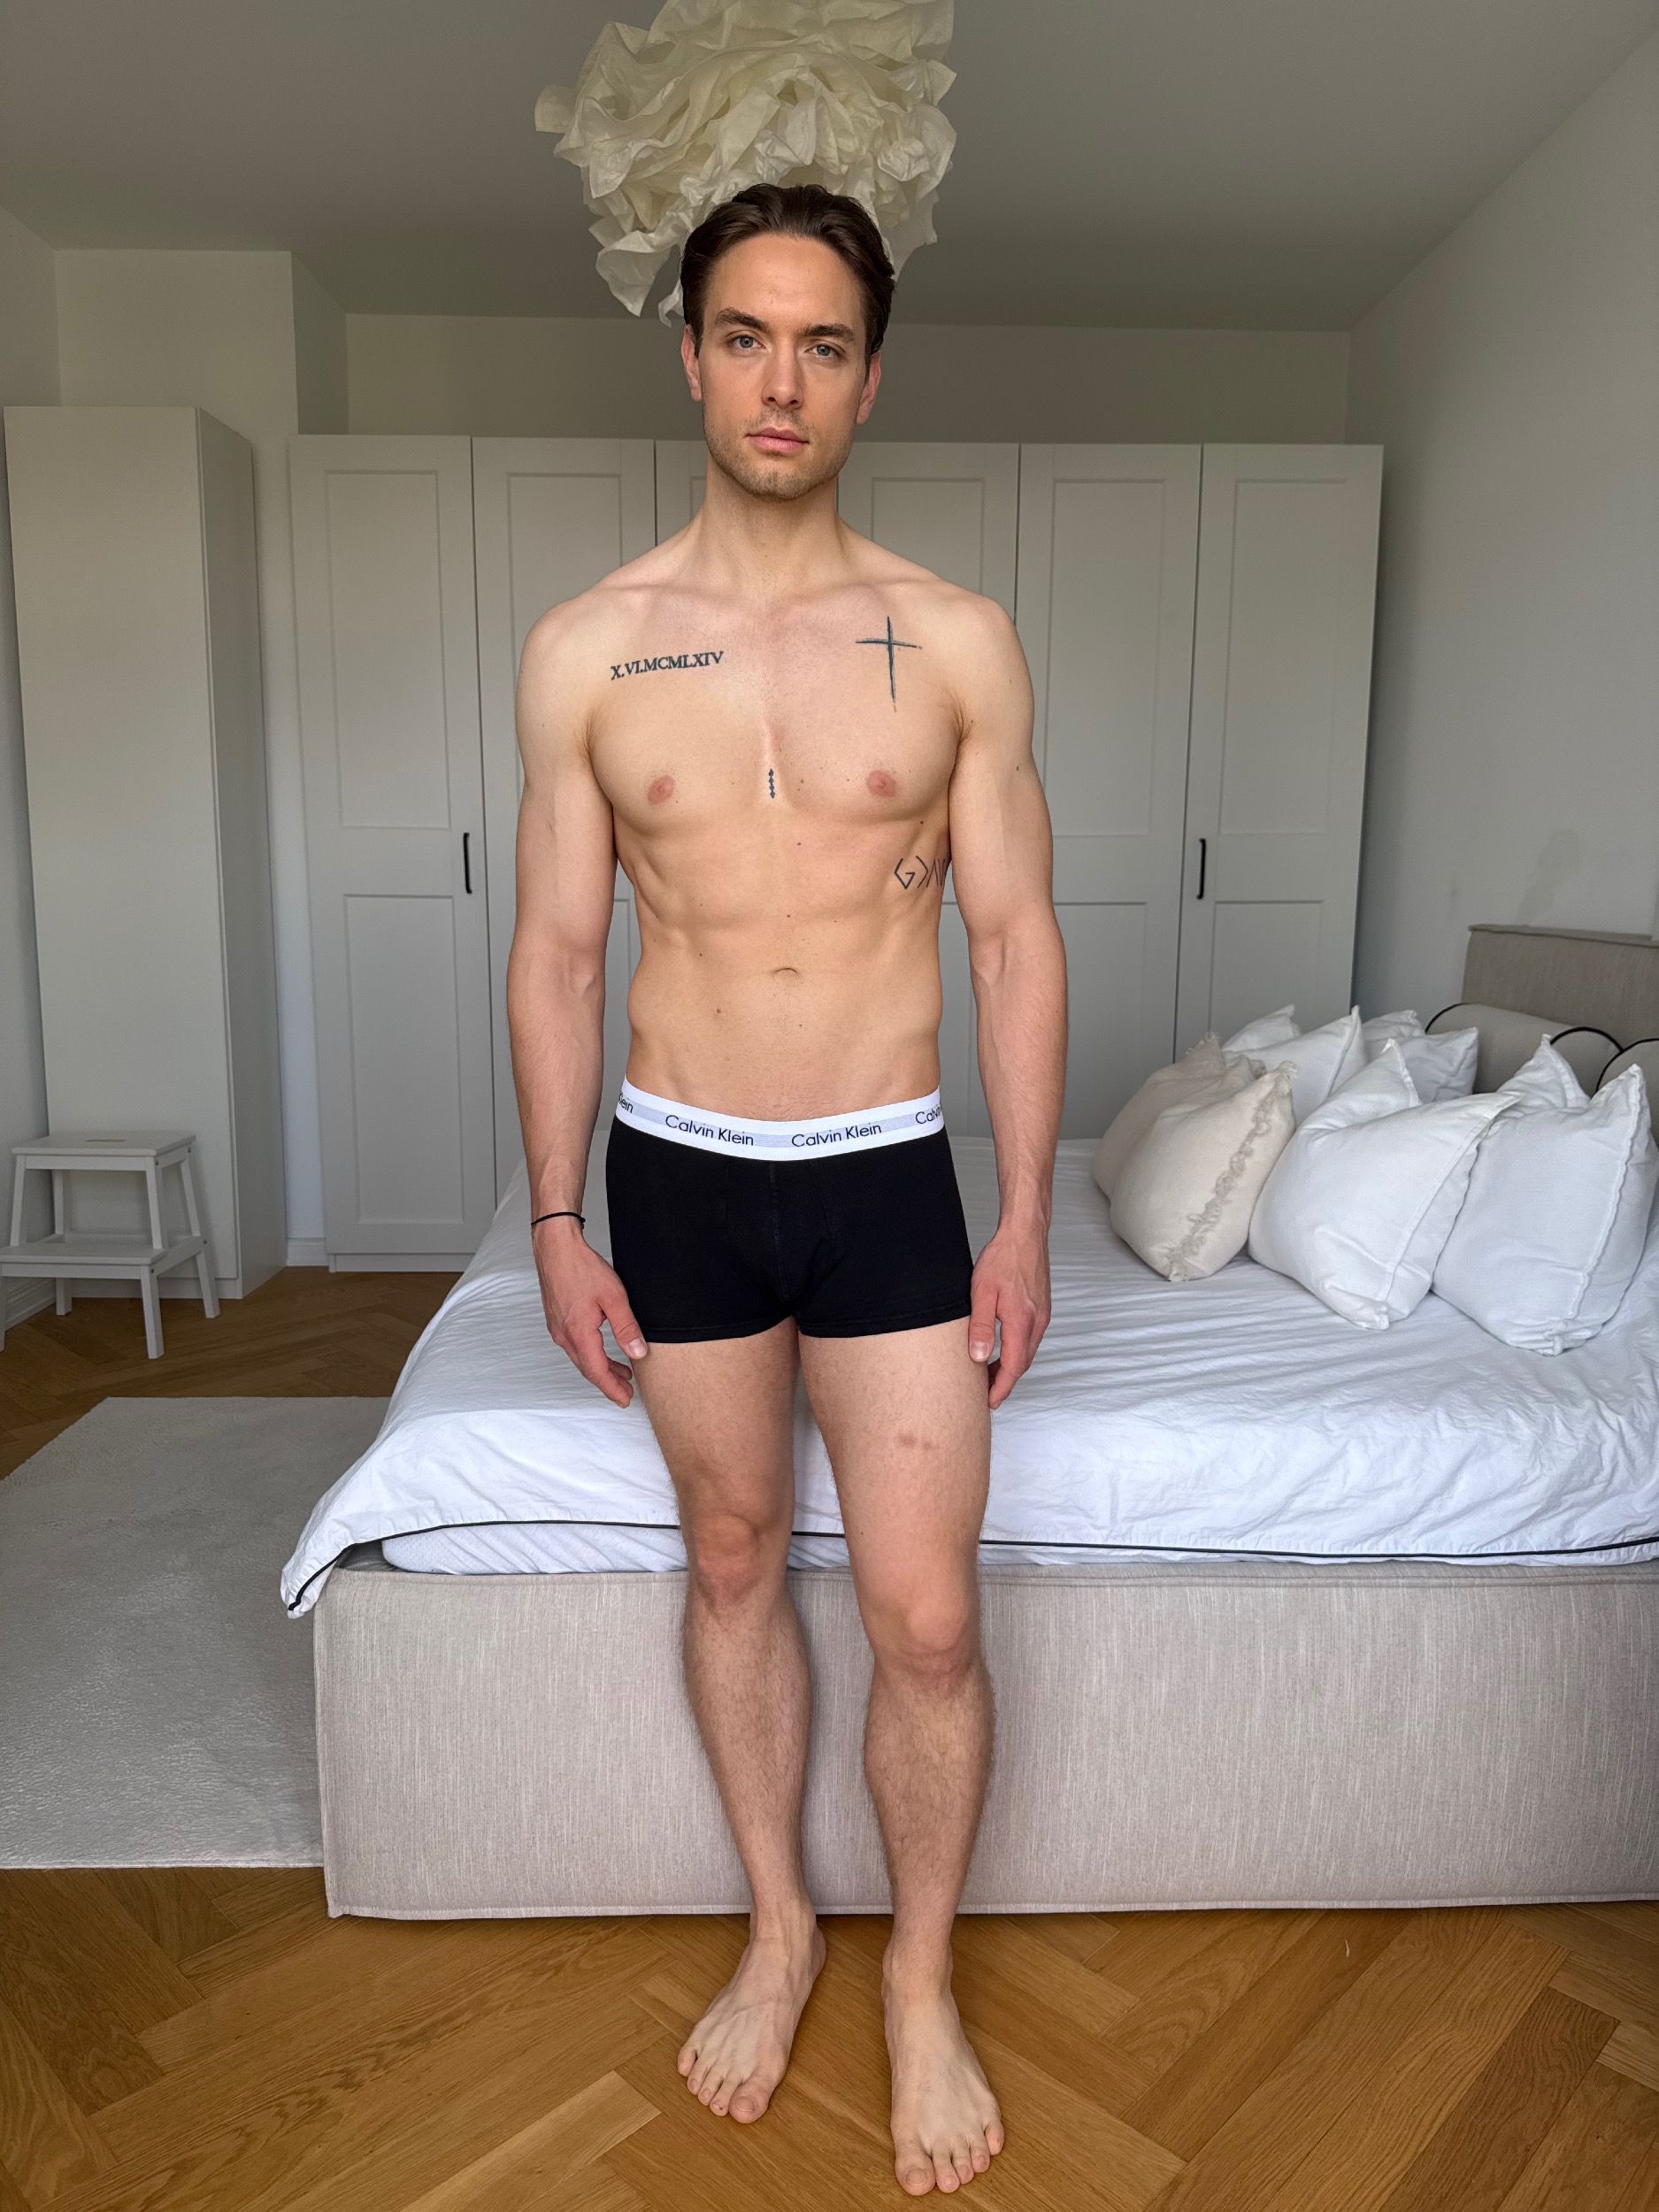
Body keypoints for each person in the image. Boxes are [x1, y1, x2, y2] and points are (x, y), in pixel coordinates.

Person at [507, 180, 1066, 2199]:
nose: (780, 378)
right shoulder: (586, 648)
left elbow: (1011, 937)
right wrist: (555, 1219)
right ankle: (779, 1925)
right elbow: (558, 950)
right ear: (689, 353)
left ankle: (916, 1976)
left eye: (823, 343)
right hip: (676, 1177)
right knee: (733, 1559)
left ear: (869, 377)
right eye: (744, 334)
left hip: (884, 1176)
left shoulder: (956, 641)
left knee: (926, 1617)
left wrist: (1023, 1215)